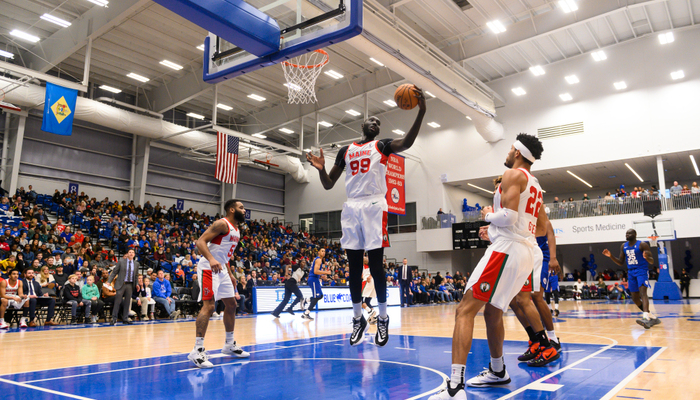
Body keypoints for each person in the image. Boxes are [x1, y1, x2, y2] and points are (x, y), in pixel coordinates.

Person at [306, 87, 426, 347]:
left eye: (379, 123)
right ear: (362, 124)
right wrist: (321, 168)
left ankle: (382, 318)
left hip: (373, 205)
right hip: (351, 207)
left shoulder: (381, 146)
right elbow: (328, 184)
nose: (376, 123)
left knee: (376, 264)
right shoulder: (346, 151)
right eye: (372, 120)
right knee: (354, 269)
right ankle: (358, 318)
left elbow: (406, 143)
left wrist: (422, 112)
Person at [430, 133, 547, 399]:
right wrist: (494, 229)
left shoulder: (512, 175)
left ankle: (455, 388)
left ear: (517, 152)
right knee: (492, 312)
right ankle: (497, 371)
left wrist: (488, 216)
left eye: (509, 148)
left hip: (506, 250)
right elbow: (539, 228)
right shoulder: (537, 186)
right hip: (524, 252)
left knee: (464, 310)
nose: (507, 152)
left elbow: (509, 216)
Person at [188, 199, 250, 369]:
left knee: (231, 304)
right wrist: (211, 259)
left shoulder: (236, 230)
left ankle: (229, 345)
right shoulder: (221, 224)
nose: (244, 210)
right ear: (231, 209)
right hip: (209, 267)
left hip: (221, 268)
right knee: (209, 307)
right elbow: (200, 242)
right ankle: (197, 350)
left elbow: (224, 254)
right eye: (241, 207)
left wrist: (230, 274)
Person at [603, 229, 660, 329]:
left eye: (629, 233)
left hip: (641, 270)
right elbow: (620, 262)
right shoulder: (623, 246)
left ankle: (645, 317)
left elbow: (652, 261)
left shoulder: (642, 245)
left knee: (643, 293)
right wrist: (611, 256)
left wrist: (647, 258)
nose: (627, 235)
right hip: (631, 272)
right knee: (635, 298)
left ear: (635, 235)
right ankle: (651, 315)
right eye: (626, 233)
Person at [108, 249, 139, 325]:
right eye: (130, 252)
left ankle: (125, 318)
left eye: (132, 252)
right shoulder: (121, 261)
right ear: (127, 254)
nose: (131, 254)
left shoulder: (136, 264)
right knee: (117, 302)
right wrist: (109, 281)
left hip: (130, 284)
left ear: (134, 254)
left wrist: (137, 284)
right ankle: (114, 318)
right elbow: (114, 272)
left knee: (127, 302)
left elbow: (136, 275)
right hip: (121, 284)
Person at [301, 248, 332, 321]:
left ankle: (306, 300)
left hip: (315, 279)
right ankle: (306, 313)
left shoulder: (318, 260)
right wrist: (326, 272)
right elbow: (315, 271)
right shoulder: (318, 260)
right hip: (313, 279)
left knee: (320, 295)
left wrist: (321, 276)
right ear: (318, 252)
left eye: (324, 251)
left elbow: (314, 271)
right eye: (322, 251)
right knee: (316, 296)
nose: (324, 252)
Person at [361, 255, 378, 324]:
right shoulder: (372, 266)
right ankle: (373, 318)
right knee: (367, 301)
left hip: (367, 282)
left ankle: (370, 312)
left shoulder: (362, 266)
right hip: (373, 282)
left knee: (359, 300)